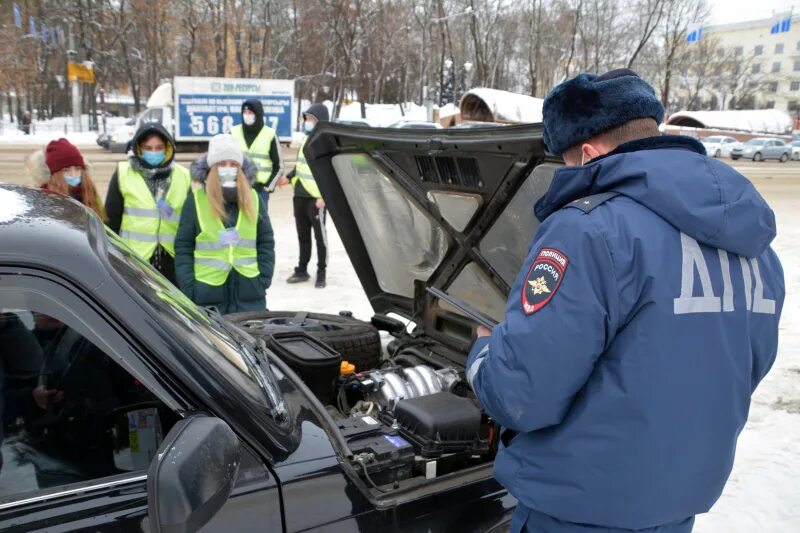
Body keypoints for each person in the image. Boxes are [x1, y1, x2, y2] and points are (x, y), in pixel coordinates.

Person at [465, 69, 785, 533]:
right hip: (678, 504)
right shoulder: (755, 243)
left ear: (588, 154)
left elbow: (521, 396)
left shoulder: (588, 229)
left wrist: (483, 352)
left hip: (577, 511)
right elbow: (744, 367)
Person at [174, 134, 275, 314]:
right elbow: (183, 247)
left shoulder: (254, 199)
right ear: (212, 168)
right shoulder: (196, 201)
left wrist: (263, 280)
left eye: (233, 164)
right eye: (221, 164)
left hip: (250, 296)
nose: (228, 169)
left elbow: (265, 241)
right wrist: (190, 289)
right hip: (208, 299)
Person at [105, 123, 191, 284]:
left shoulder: (183, 175)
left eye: (158, 148)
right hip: (135, 259)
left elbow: (189, 223)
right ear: (138, 148)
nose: (153, 152)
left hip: (171, 259)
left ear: (167, 149)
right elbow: (111, 221)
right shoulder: (123, 173)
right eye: (148, 148)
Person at [278, 103, 329, 288]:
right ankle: (302, 270)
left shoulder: (325, 144)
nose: (307, 122)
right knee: (303, 236)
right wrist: (289, 178)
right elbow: (301, 167)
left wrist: (326, 198)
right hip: (299, 197)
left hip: (316, 200)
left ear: (321, 122)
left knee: (320, 238)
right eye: (306, 118)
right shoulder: (306, 141)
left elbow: (331, 175)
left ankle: (321, 272)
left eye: (311, 119)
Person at [26, 138, 107, 221]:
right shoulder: (44, 200)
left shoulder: (90, 191)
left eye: (77, 169)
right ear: (55, 174)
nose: (73, 175)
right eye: (66, 170)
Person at [230, 99, 283, 208]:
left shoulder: (270, 134)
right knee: (237, 222)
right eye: (244, 113)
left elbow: (279, 166)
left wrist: (269, 186)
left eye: (250, 113)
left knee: (260, 222)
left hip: (260, 190)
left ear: (258, 114)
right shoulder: (233, 132)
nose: (246, 115)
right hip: (237, 188)